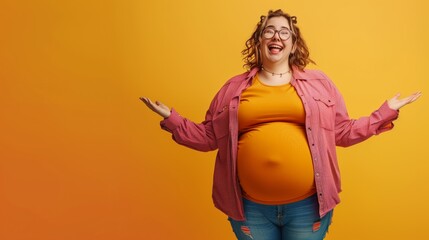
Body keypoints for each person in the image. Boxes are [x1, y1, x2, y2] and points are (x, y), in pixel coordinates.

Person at [140, 9, 421, 240]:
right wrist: (171, 118)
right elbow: (209, 137)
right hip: (250, 210)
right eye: (269, 31)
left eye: (284, 31)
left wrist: (384, 113)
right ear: (259, 41)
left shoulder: (319, 84)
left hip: (308, 207)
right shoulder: (233, 88)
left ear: (294, 44)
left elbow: (343, 133)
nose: (277, 35)